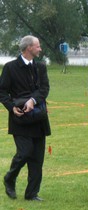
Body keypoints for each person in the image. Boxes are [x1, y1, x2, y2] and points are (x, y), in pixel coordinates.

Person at [0, 35, 51, 201]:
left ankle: (32, 194)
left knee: (37, 158)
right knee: (25, 152)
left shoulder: (41, 67)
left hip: (39, 118)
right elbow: (2, 92)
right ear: (29, 48)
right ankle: (10, 178)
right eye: (38, 46)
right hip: (20, 119)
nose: (40, 49)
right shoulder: (10, 67)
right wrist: (11, 107)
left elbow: (44, 89)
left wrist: (33, 100)